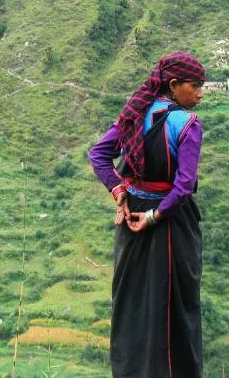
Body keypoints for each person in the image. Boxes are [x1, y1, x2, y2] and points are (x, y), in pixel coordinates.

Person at [87, 51, 206, 378]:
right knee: (175, 307)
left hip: (130, 222)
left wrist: (120, 191)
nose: (200, 93)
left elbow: (98, 155)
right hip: (170, 224)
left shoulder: (134, 115)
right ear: (173, 84)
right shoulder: (187, 126)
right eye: (194, 86)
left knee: (132, 302)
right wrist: (154, 216)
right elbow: (182, 188)